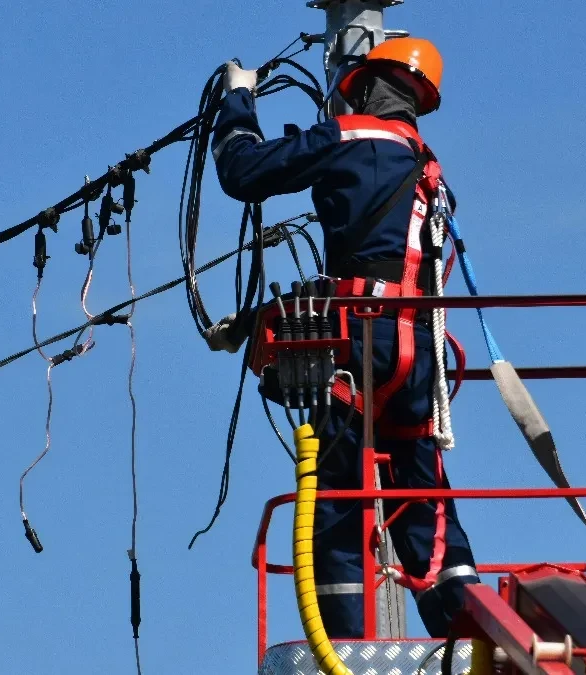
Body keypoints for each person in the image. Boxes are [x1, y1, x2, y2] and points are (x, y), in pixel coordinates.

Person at [209, 38, 480, 639]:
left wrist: (238, 99)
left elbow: (242, 172)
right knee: (426, 501)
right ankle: (468, 630)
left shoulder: (348, 138)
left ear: (358, 87)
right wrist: (257, 322)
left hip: (358, 346)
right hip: (418, 357)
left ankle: (350, 646)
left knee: (339, 503)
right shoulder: (428, 169)